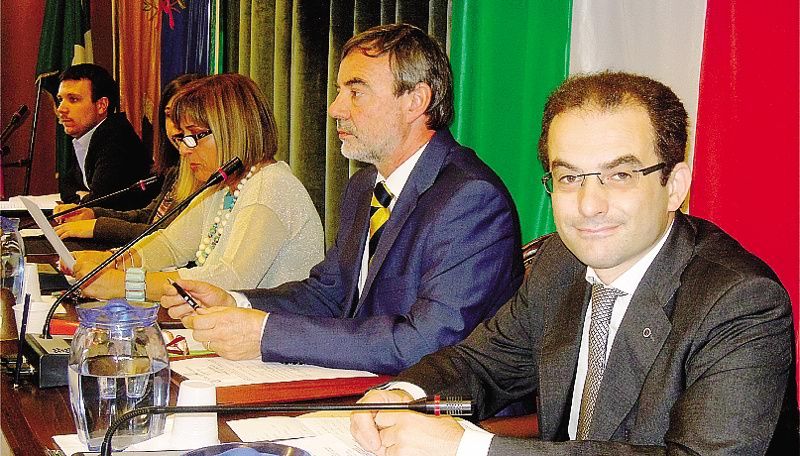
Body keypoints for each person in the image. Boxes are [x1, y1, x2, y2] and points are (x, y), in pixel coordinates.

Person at [350, 72, 798, 455]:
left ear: (674, 186)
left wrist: (473, 448)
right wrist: (402, 394)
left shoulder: (739, 302)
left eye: (619, 175)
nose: (588, 205)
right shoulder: (560, 264)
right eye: (569, 177)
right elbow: (481, 364)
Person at [160, 24, 524, 374]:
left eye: (356, 92)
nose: (335, 108)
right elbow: (328, 294)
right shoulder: (364, 186)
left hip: (435, 401)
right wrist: (236, 301)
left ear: (415, 101)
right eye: (339, 91)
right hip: (365, 383)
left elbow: (426, 340)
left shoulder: (470, 198)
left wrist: (266, 335)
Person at [70, 73, 324, 302]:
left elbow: (230, 279)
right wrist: (111, 261)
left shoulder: (270, 188)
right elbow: (171, 244)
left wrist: (126, 284)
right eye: (182, 138)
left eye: (193, 136)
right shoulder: (223, 187)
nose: (183, 150)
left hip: (275, 336)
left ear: (232, 130)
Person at [54, 74, 205, 244]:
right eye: (169, 115)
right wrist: (93, 213)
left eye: (73, 99)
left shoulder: (116, 137)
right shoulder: (176, 169)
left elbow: (168, 236)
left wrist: (97, 226)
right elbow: (149, 216)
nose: (176, 127)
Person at [55, 63, 154, 210]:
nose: (61, 109)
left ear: (102, 105)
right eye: (60, 100)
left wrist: (83, 199)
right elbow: (67, 187)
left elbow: (100, 202)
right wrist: (83, 198)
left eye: (73, 99)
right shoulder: (87, 135)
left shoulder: (117, 138)